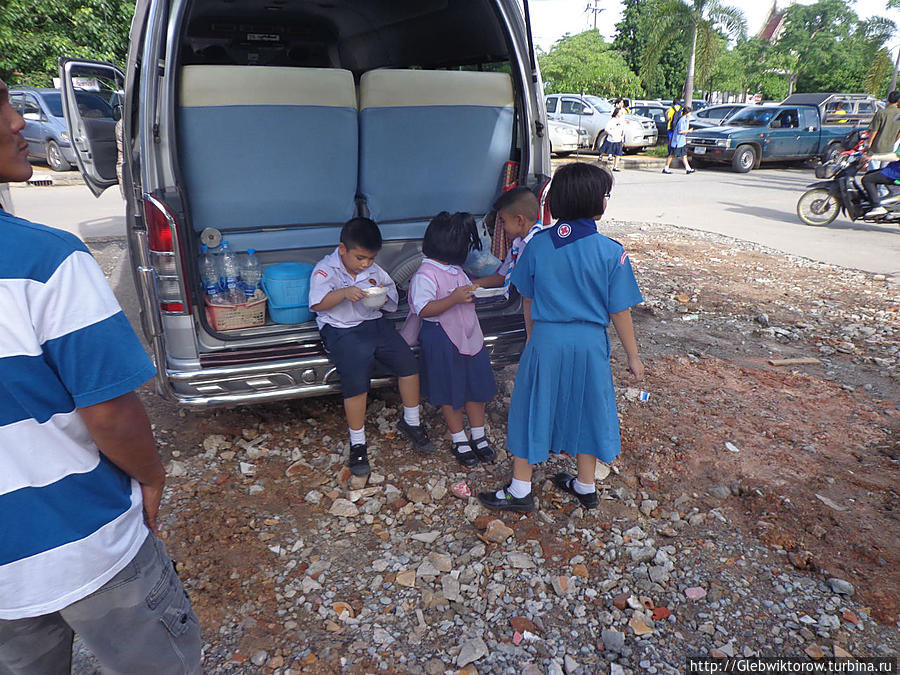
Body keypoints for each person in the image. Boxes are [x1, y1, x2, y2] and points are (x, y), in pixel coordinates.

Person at [0, 78, 202, 673]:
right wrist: (152, 475)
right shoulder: (46, 261)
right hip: (87, 542)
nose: (20, 124)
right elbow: (111, 412)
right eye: (2, 104)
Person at [477, 162, 644, 513]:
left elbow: (528, 299)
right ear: (595, 202)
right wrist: (633, 356)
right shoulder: (611, 251)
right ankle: (585, 486)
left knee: (531, 406)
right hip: (589, 344)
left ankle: (521, 488)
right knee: (586, 407)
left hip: (546, 339)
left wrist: (532, 341)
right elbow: (620, 311)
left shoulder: (537, 246)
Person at [309, 217, 435, 476]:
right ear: (342, 249)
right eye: (360, 258)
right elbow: (317, 304)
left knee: (407, 363)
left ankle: (411, 422)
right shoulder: (326, 269)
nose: (366, 263)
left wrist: (379, 292)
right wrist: (344, 293)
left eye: (370, 258)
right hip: (340, 328)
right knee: (355, 378)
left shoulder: (374, 270)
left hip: (372, 322)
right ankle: (357, 443)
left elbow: (390, 296)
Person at [400, 212, 498, 467]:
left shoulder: (457, 270)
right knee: (450, 388)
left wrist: (474, 292)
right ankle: (459, 438)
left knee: (475, 385)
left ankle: (478, 434)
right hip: (441, 338)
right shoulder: (425, 274)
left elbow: (463, 292)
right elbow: (422, 309)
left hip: (470, 335)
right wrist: (453, 299)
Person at [473, 187, 543, 335]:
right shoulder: (517, 245)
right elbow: (502, 276)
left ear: (519, 220)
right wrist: (472, 284)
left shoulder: (540, 245)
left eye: (503, 222)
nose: (503, 227)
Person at [867, 91, 900, 177]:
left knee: (872, 174)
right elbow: (898, 135)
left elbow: (874, 131)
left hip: (877, 147)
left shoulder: (881, 113)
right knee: (884, 174)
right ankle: (883, 190)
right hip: (890, 148)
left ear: (888, 100)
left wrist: (869, 145)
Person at [862, 143, 900, 216]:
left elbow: (895, 157)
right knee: (869, 174)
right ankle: (872, 199)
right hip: (894, 169)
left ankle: (877, 206)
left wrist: (872, 157)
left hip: (896, 173)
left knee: (867, 179)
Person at [663, 106, 695, 174]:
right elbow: (680, 131)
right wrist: (689, 131)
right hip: (677, 141)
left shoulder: (685, 119)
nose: (690, 114)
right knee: (672, 155)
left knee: (684, 155)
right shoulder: (682, 120)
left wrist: (688, 122)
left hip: (681, 142)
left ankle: (688, 168)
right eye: (689, 113)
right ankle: (666, 168)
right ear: (686, 113)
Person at [599, 107, 626, 172]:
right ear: (616, 113)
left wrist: (622, 136)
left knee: (618, 153)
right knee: (606, 151)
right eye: (620, 112)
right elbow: (607, 129)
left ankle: (615, 166)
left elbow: (623, 129)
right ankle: (600, 156)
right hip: (611, 139)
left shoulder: (621, 121)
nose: (621, 113)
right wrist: (611, 134)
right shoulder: (612, 121)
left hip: (618, 139)